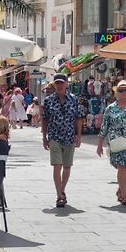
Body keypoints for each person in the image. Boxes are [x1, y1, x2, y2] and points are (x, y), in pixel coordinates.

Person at [42, 73, 84, 208]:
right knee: (57, 165)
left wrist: (79, 135)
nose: (59, 85)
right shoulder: (49, 101)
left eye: (62, 83)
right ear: (54, 84)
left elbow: (79, 118)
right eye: (57, 83)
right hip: (54, 136)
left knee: (67, 166)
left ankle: (62, 190)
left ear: (66, 84)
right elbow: (45, 119)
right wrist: (44, 137)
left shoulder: (74, 99)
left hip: (69, 136)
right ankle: (59, 195)